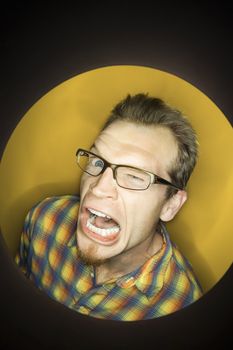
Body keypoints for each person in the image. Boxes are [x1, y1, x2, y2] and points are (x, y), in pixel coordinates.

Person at [15, 93, 202, 321]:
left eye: (134, 176)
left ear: (171, 205)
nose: (99, 188)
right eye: (96, 161)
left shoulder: (183, 307)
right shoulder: (44, 220)